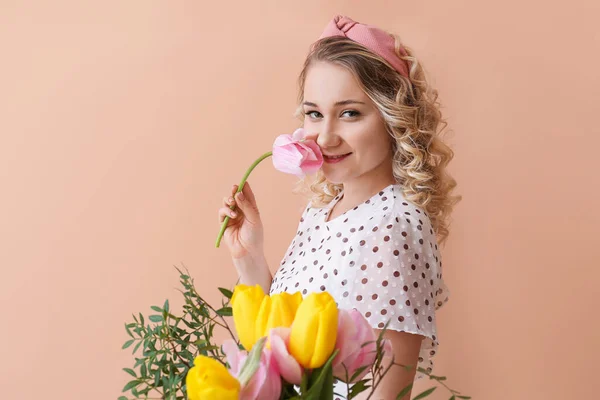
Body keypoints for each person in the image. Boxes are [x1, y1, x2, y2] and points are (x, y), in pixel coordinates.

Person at [217, 14, 461, 399]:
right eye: (315, 113)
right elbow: (280, 351)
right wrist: (250, 258)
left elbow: (386, 390)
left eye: (349, 113)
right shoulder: (323, 212)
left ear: (391, 118)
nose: (325, 136)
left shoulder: (393, 224)